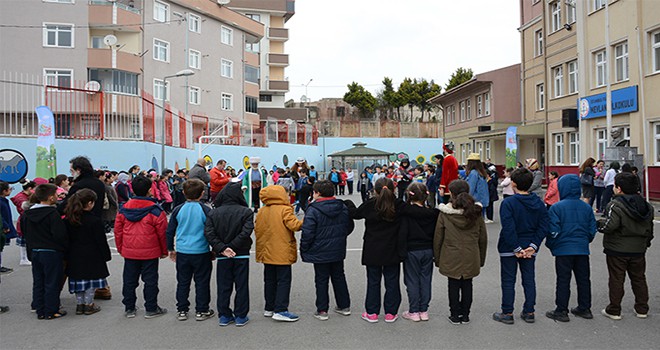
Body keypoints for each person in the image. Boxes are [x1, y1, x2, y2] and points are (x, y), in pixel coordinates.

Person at [493, 168, 549, 325]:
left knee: (508, 280)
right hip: (530, 246)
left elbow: (508, 227)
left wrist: (516, 248)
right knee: (529, 279)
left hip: (509, 247)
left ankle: (507, 312)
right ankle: (529, 311)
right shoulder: (538, 203)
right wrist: (534, 245)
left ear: (513, 183)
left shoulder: (508, 203)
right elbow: (544, 225)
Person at [597, 172, 654, 320]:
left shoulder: (615, 205)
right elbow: (650, 229)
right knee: (639, 278)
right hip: (638, 248)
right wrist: (645, 243)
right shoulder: (646, 206)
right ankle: (642, 308)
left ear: (619, 188)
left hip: (617, 248)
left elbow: (610, 226)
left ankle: (614, 309)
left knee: (616, 278)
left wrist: (599, 224)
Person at [544, 175, 597, 322]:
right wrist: (585, 241)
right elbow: (592, 229)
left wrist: (552, 245)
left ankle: (561, 310)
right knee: (583, 279)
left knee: (563, 280)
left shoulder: (556, 208)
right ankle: (584, 308)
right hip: (581, 248)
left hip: (563, 249)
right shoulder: (586, 207)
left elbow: (553, 230)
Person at [114, 175, 168, 319]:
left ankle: (129, 308)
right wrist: (164, 251)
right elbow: (162, 233)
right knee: (150, 280)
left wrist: (121, 248)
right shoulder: (156, 210)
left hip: (130, 250)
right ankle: (151, 308)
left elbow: (118, 231)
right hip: (150, 251)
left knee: (129, 280)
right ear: (150, 190)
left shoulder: (124, 209)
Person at [434, 179, 487, 325]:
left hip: (451, 253)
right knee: (468, 284)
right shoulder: (476, 213)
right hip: (471, 253)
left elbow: (438, 237)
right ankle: (466, 315)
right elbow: (483, 238)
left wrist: (437, 258)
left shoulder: (445, 213)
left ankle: (455, 315)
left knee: (453, 284)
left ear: (451, 193)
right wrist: (481, 258)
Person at [351, 178, 403, 323]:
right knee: (392, 281)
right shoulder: (398, 205)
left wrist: (347, 203)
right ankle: (391, 313)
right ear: (394, 189)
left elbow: (355, 214)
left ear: (375, 190)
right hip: (392, 248)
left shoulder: (370, 205)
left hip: (372, 249)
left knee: (373, 281)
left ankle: (372, 312)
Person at [300, 180, 354, 321]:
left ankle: (322, 309)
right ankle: (344, 305)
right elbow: (349, 226)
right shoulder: (342, 206)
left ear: (317, 193)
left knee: (321, 279)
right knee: (339, 276)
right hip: (337, 247)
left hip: (319, 249)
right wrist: (339, 237)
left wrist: (304, 248)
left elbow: (308, 232)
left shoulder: (313, 209)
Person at [205, 182, 254, 327]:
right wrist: (232, 246)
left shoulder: (213, 212)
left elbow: (209, 232)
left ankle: (225, 315)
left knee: (223, 285)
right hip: (241, 252)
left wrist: (222, 248)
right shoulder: (246, 212)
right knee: (242, 285)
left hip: (223, 254)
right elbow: (246, 232)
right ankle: (241, 315)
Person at [166, 179, 214, 322]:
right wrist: (214, 249)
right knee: (202, 281)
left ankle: (182, 309)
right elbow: (211, 231)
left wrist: (170, 248)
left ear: (184, 192)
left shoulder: (178, 209)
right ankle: (202, 309)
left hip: (183, 251)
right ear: (202, 194)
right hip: (201, 250)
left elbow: (170, 231)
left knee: (183, 281)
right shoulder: (206, 210)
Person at [254, 185, 303, 322]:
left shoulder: (262, 210)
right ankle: (281, 309)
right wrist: (306, 220)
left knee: (269, 280)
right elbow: (295, 226)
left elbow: (257, 229)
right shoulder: (285, 210)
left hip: (266, 251)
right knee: (283, 280)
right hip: (281, 251)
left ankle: (269, 307)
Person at [20, 183, 68, 319]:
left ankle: (39, 308)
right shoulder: (52, 213)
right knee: (52, 281)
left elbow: (25, 232)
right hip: (51, 252)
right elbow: (59, 235)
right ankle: (51, 310)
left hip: (35, 251)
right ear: (50, 197)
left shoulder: (27, 214)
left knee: (38, 280)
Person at [64, 189, 111, 316]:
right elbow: (101, 241)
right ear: (90, 203)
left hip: (74, 254)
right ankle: (89, 304)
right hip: (92, 255)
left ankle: (80, 305)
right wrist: (106, 255)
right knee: (91, 282)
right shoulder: (95, 221)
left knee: (78, 281)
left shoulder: (69, 219)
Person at [399, 182, 439, 322]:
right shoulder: (433, 213)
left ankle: (414, 310)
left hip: (412, 250)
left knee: (412, 280)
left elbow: (402, 233)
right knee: (426, 279)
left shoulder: (405, 212)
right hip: (428, 249)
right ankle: (424, 310)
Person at [11, 180, 37, 266]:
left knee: (26, 241)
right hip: (24, 221)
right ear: (30, 188)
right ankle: (23, 258)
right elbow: (24, 207)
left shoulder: (26, 196)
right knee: (23, 242)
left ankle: (26, 257)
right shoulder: (21, 198)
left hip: (27, 220)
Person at [464, 154, 489, 219]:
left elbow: (471, 188)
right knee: (481, 220)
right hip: (482, 200)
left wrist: (466, 199)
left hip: (475, 200)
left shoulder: (473, 173)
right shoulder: (481, 172)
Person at [0, 181, 17, 273]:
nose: (10, 190)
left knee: (1, 247)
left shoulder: (4, 201)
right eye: (10, 189)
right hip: (2, 227)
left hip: (3, 226)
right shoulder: (1, 202)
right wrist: (5, 226)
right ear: (4, 191)